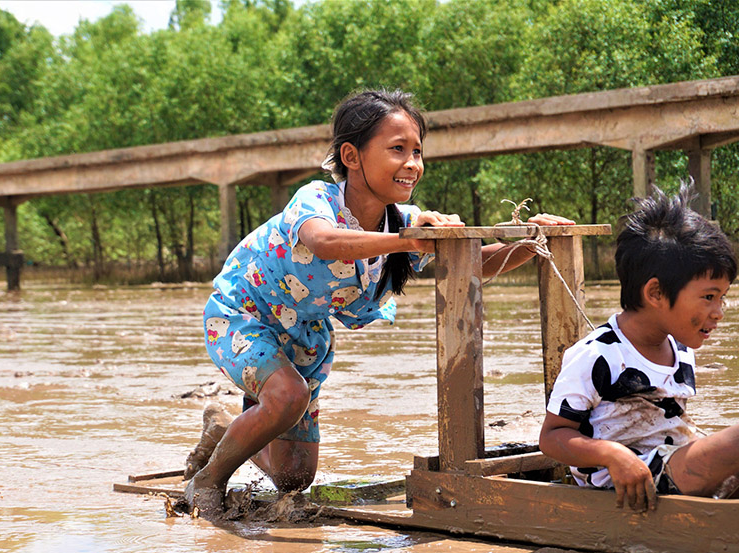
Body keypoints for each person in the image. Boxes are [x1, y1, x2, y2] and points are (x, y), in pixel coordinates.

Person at [183, 88, 574, 517]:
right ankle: (207, 481)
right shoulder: (316, 200)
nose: (412, 164)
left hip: (304, 333)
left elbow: (474, 263)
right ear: (351, 156)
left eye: (417, 151)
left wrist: (534, 242)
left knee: (294, 477)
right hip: (241, 315)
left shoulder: (403, 223)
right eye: (397, 149)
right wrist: (410, 239)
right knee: (289, 395)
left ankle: (225, 429)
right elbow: (326, 242)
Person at [539, 183, 739, 512]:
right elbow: (552, 437)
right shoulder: (598, 355)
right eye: (708, 297)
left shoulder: (680, 348)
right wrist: (613, 455)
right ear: (656, 294)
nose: (719, 312)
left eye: (722, 297)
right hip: (627, 486)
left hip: (673, 468)